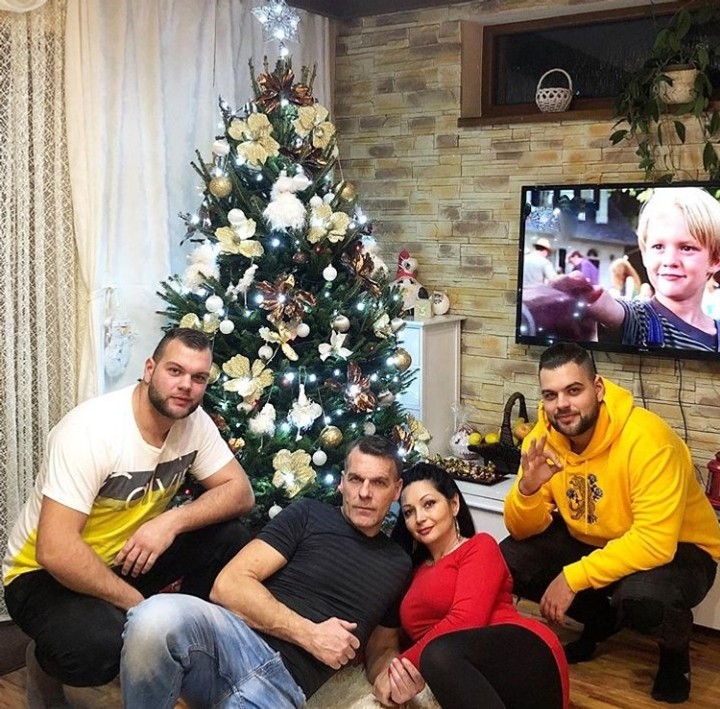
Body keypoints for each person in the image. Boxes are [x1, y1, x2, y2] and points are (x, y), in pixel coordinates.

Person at [2, 327, 255, 708]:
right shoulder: (91, 431)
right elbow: (55, 550)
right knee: (97, 650)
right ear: (149, 369)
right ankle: (44, 662)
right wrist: (143, 608)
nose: (186, 386)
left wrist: (169, 522)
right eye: (175, 371)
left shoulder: (194, 424)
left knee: (231, 537)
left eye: (199, 377)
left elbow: (240, 492)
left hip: (125, 557)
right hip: (41, 574)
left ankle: (184, 638)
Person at [119, 435, 412, 708]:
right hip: (231, 644)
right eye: (356, 479)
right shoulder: (309, 514)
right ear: (342, 482)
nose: (364, 493)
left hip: (282, 687)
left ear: (397, 490)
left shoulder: (399, 563)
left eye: (378, 483)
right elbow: (228, 585)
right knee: (153, 618)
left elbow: (381, 647)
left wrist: (391, 677)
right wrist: (310, 634)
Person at [500, 342, 720, 704]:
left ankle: (674, 656)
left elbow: (654, 542)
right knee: (510, 560)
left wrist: (573, 578)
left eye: (574, 390)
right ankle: (601, 621)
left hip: (681, 548)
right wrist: (527, 489)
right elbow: (520, 530)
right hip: (595, 537)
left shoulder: (648, 440)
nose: (562, 405)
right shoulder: (541, 439)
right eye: (551, 395)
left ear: (598, 388)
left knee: (644, 598)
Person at [372, 462, 569, 709]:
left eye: (429, 504)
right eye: (409, 512)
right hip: (462, 674)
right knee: (437, 654)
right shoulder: (414, 572)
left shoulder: (479, 546)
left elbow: (465, 620)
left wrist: (399, 668)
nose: (419, 518)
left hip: (523, 652)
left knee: (437, 653)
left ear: (454, 504)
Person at [587, 187, 720, 351]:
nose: (669, 261)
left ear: (715, 259)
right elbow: (614, 310)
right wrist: (585, 297)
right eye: (658, 247)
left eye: (686, 248)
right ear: (645, 255)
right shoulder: (640, 321)